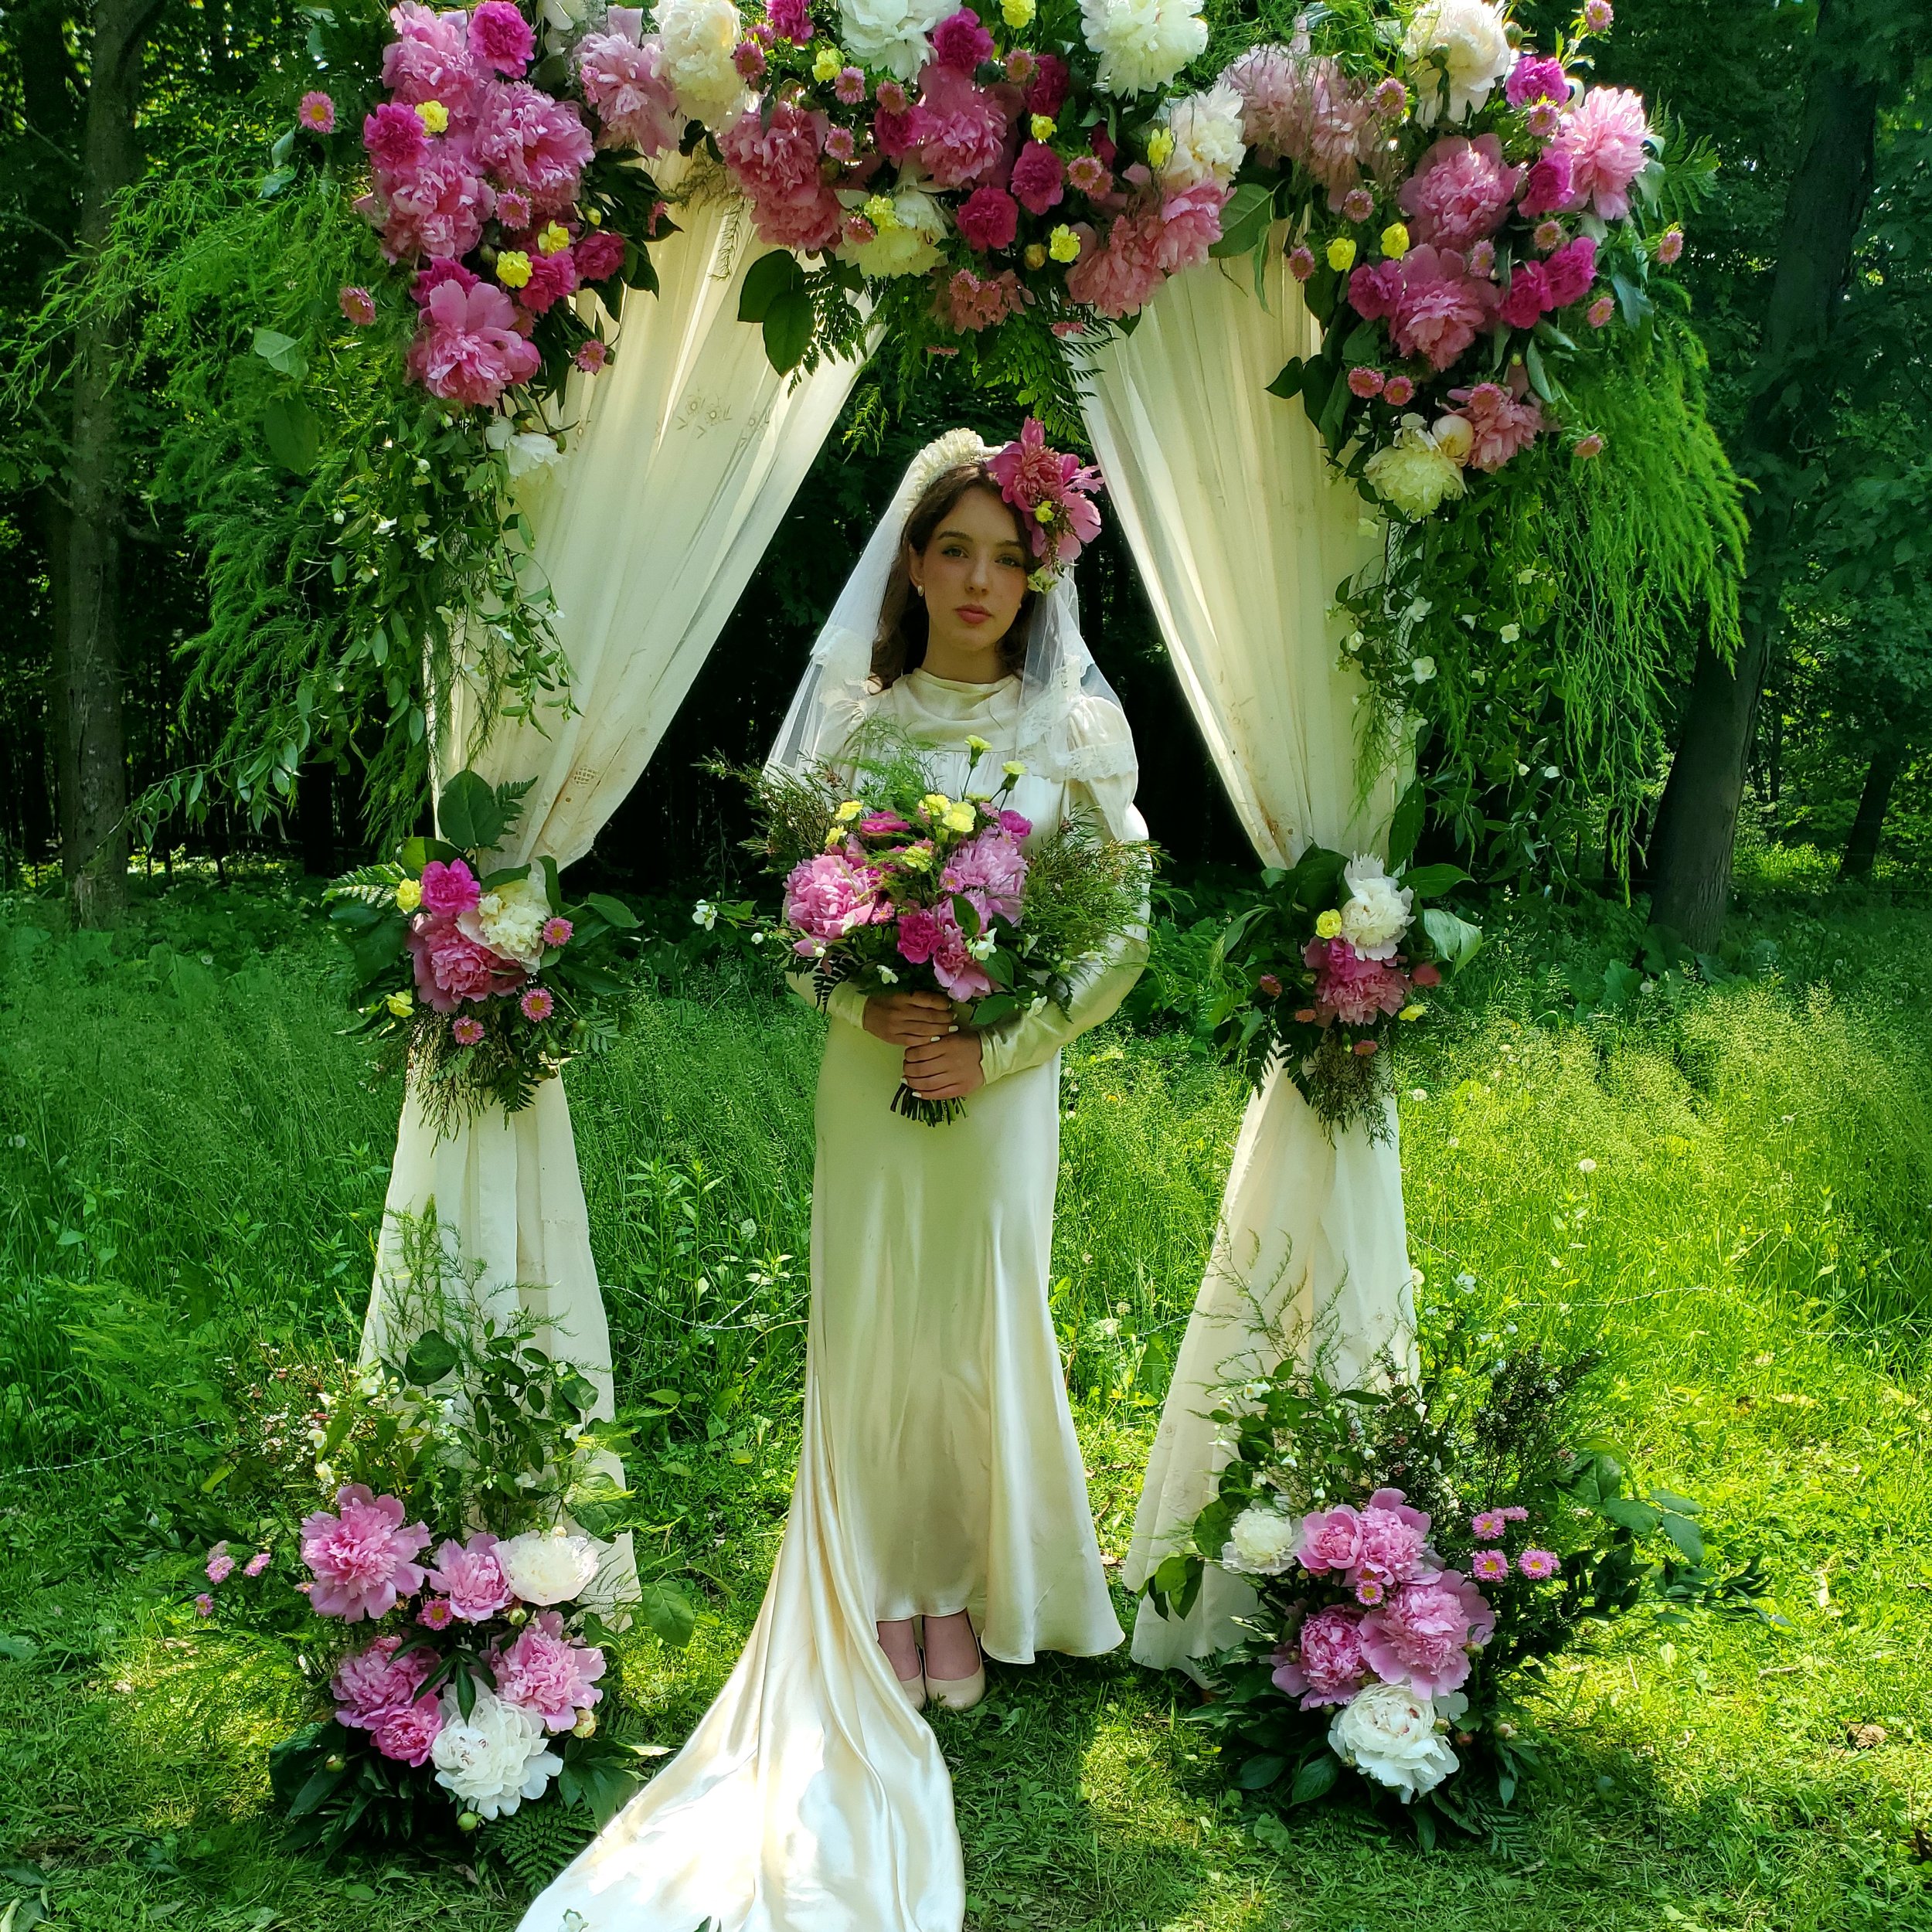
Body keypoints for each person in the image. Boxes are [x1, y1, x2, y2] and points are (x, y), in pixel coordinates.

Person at [517, 427, 1147, 1932]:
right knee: (873, 1312)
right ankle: (881, 1587)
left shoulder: (1075, 728)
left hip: (998, 1082)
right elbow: (798, 917)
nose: (979, 580)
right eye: (954, 551)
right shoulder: (855, 731)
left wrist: (999, 1044)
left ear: (1039, 574)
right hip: (873, 1069)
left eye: (1007, 557)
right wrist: (865, 1006)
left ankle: (974, 1588)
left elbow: (1123, 927)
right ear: (911, 564)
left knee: (980, 1308)